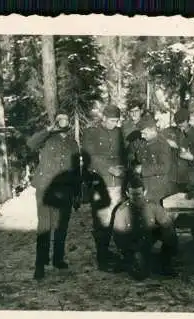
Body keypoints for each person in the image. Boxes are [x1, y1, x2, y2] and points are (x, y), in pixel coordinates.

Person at [27, 113, 79, 280]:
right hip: (45, 188)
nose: (63, 121)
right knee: (44, 227)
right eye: (60, 119)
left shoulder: (73, 144)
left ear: (69, 122)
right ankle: (40, 264)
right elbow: (31, 144)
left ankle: (58, 259)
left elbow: (77, 170)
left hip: (65, 190)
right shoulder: (47, 138)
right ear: (55, 122)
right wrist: (48, 130)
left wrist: (77, 193)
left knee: (61, 226)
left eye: (66, 118)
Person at [82, 104, 126, 269]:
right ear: (104, 118)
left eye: (117, 121)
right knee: (102, 221)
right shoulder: (91, 133)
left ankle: (118, 253)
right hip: (101, 183)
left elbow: (124, 154)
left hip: (120, 183)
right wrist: (109, 168)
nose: (115, 124)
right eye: (112, 120)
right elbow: (89, 156)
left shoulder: (119, 133)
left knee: (119, 219)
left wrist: (124, 168)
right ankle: (103, 257)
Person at [111, 175, 179, 280]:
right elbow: (119, 239)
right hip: (133, 244)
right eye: (133, 195)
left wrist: (160, 243)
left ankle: (165, 264)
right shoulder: (122, 211)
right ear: (127, 194)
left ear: (145, 192)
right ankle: (128, 262)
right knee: (141, 275)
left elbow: (168, 225)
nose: (136, 197)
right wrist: (133, 253)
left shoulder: (153, 206)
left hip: (150, 239)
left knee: (170, 233)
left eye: (139, 194)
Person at [126, 115, 173, 205]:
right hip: (144, 186)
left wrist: (143, 169)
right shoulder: (141, 142)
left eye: (144, 133)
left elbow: (165, 167)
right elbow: (132, 154)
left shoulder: (162, 145)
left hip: (157, 188)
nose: (142, 136)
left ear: (152, 130)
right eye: (141, 133)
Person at [163, 108, 194, 194]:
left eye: (182, 122)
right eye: (177, 122)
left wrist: (177, 146)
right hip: (172, 176)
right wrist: (166, 141)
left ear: (188, 120)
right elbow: (159, 137)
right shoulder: (170, 131)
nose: (179, 124)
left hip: (188, 177)